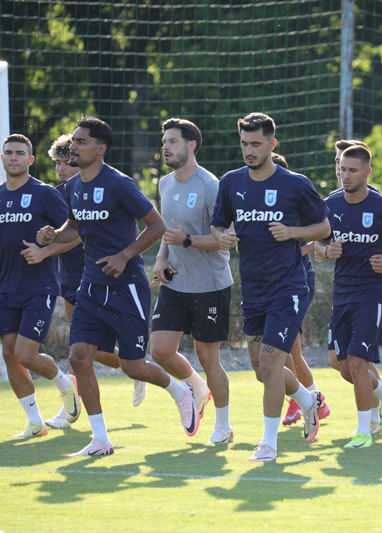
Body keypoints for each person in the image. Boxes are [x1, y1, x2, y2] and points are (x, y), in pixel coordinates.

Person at [36, 116, 196, 457]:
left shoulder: (119, 184)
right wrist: (53, 235)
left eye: (81, 141)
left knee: (132, 366)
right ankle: (100, 440)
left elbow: (157, 226)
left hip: (127, 287)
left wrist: (124, 256)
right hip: (90, 286)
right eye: (73, 141)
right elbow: (74, 227)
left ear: (100, 149)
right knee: (79, 356)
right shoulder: (74, 187)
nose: (73, 147)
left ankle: (181, 392)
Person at [211, 112, 330, 462]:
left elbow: (323, 228)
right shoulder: (231, 182)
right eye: (244, 144)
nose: (249, 150)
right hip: (253, 289)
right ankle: (308, 401)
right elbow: (218, 226)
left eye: (256, 144)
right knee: (261, 369)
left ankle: (268, 444)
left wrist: (291, 232)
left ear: (271, 144)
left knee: (270, 361)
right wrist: (223, 236)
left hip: (288, 287)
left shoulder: (295, 184)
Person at [25, 134, 145, 430]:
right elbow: (61, 231)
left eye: (67, 162)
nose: (62, 168)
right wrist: (46, 237)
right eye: (57, 163)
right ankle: (133, 369)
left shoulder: (100, 188)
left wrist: (46, 251)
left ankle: (135, 370)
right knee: (81, 349)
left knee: (86, 351)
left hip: (97, 275)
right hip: (69, 276)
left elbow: (79, 235)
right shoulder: (60, 193)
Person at [0, 134, 81, 439]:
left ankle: (66, 385)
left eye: (20, 153)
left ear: (30, 160)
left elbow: (76, 233)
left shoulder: (44, 194)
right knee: (10, 354)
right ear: (2, 158)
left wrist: (45, 251)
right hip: (6, 288)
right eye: (9, 153)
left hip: (39, 287)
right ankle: (35, 423)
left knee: (25, 355)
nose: (14, 157)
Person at [316, 144, 382, 448]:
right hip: (342, 291)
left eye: (352, 170)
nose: (345, 176)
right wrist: (327, 250)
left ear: (367, 172)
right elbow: (318, 242)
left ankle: (363, 432)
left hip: (372, 293)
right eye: (341, 170)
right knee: (341, 365)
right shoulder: (330, 204)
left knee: (358, 363)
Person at [150, 118, 234, 445]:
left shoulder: (211, 186)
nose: (165, 147)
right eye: (164, 142)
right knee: (160, 351)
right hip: (176, 284)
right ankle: (198, 389)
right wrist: (161, 258)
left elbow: (224, 241)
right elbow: (168, 231)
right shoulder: (164, 184)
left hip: (210, 286)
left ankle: (223, 426)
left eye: (172, 141)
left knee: (208, 358)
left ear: (191, 145)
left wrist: (186, 241)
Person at [272, 152, 332, 428]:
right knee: (290, 350)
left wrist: (297, 246)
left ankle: (304, 399)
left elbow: (320, 236)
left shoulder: (296, 198)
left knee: (287, 348)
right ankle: (313, 400)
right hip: (271, 283)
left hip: (298, 280)